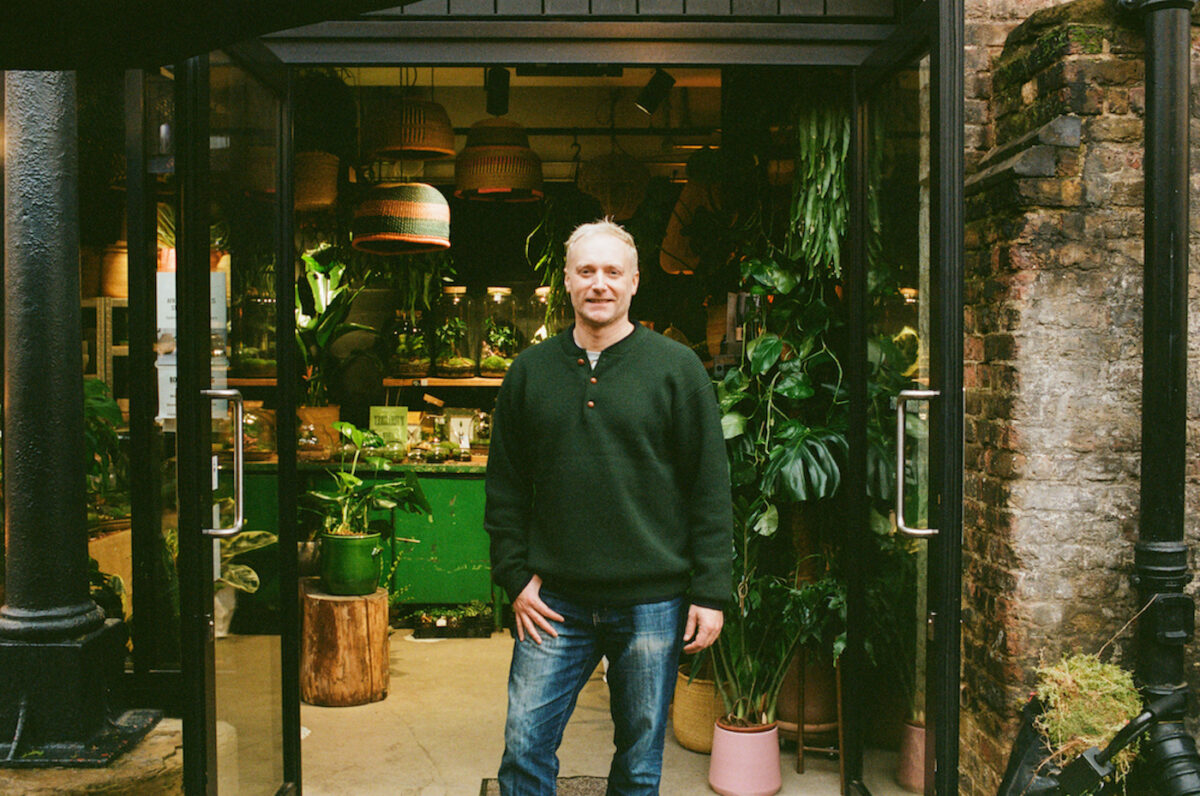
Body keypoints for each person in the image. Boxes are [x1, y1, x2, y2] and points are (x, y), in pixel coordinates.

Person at [485, 219, 733, 795]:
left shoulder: (676, 369)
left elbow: (708, 487)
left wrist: (710, 592)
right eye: (587, 271)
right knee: (524, 746)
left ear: (634, 281)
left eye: (613, 272)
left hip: (651, 600)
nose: (600, 283)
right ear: (568, 280)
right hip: (552, 601)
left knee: (640, 760)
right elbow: (505, 487)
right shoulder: (529, 372)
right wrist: (514, 576)